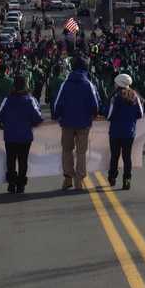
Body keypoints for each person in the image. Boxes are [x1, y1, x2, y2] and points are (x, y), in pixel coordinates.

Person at [52, 55, 100, 191]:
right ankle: (79, 180)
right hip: (84, 123)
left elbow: (57, 104)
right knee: (81, 152)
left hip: (67, 122)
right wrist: (94, 115)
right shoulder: (88, 84)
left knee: (67, 150)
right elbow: (96, 104)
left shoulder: (65, 84)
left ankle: (68, 178)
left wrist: (57, 116)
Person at [0, 74, 44, 194]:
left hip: (10, 135)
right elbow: (38, 118)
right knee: (23, 160)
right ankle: (21, 185)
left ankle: (11, 184)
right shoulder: (30, 99)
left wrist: (3, 125)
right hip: (25, 136)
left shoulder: (7, 99)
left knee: (10, 160)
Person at [106, 73, 145, 189]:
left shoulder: (115, 97)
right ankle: (127, 179)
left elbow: (109, 115)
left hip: (115, 132)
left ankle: (112, 177)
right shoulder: (135, 96)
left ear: (118, 84)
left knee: (115, 156)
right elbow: (141, 114)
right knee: (127, 157)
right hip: (129, 132)